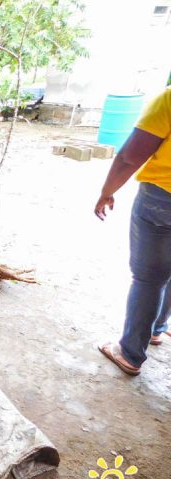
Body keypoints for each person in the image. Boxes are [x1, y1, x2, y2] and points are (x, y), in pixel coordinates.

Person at [96, 87, 171, 375]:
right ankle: (157, 328)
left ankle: (130, 353)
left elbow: (130, 156)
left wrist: (107, 191)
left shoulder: (168, 99)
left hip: (162, 200)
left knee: (149, 278)